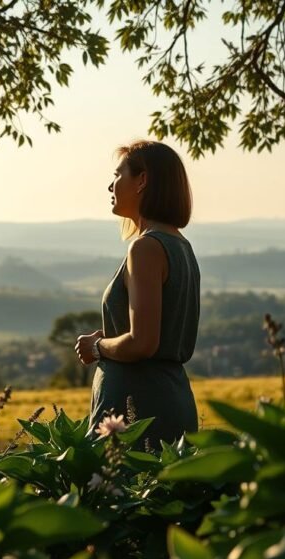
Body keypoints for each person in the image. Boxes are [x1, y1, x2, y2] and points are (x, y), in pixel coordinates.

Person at [74, 140, 200, 449]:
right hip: (172, 397)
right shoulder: (181, 246)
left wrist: (97, 346)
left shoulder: (145, 248)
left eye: (118, 175)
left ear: (142, 180)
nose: (111, 186)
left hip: (138, 408)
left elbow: (142, 342)